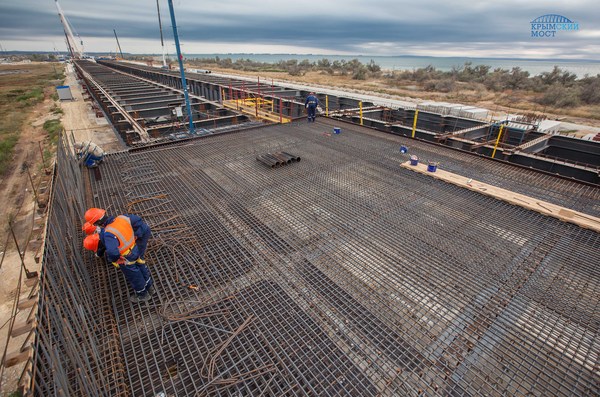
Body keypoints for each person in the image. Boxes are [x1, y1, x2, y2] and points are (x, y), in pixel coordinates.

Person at [83, 208, 154, 303]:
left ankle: (142, 294)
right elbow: (136, 220)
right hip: (135, 249)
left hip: (125, 257)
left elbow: (112, 251)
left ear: (98, 222)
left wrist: (115, 259)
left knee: (134, 275)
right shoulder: (122, 218)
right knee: (141, 266)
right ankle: (150, 287)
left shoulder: (108, 233)